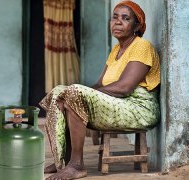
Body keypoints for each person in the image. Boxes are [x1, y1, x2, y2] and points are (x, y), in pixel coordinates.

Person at [39, 1, 160, 179]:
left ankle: (76, 164)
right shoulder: (116, 50)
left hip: (138, 109)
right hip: (117, 105)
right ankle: (62, 160)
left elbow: (124, 87)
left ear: (136, 26)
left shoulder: (142, 46)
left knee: (73, 93)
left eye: (125, 18)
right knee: (60, 92)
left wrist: (77, 94)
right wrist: (70, 94)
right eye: (115, 17)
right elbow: (98, 85)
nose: (117, 22)